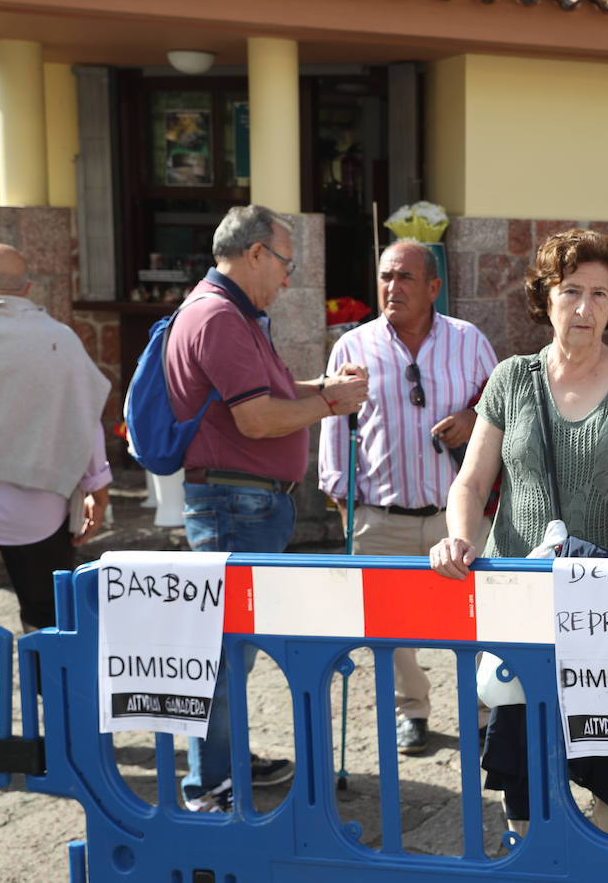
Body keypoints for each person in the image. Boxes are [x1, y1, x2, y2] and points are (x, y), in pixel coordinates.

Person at [429, 227, 608, 835]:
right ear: (546, 296)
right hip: (526, 608)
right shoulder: (511, 379)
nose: (585, 308)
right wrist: (459, 537)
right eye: (571, 291)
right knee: (524, 780)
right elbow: (473, 482)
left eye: (600, 295)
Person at [166, 204, 369, 812]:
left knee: (234, 650)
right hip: (237, 503)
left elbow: (265, 396)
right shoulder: (221, 318)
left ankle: (225, 764)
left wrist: (324, 388)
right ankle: (211, 787)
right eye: (285, 263)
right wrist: (331, 403)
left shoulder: (230, 313)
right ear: (254, 253)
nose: (288, 279)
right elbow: (257, 418)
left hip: (241, 502)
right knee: (225, 654)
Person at [319, 239, 497, 756]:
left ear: (434, 287)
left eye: (405, 277)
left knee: (480, 616)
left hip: (456, 516)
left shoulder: (468, 341)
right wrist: (342, 500)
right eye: (385, 277)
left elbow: (505, 406)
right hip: (381, 515)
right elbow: (333, 424)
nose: (392, 287)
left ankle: (487, 711)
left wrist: (473, 419)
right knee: (390, 629)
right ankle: (411, 709)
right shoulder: (352, 347)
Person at [0, 244, 111, 630]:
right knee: (48, 624)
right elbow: (83, 412)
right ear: (28, 288)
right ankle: (50, 690)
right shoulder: (60, 339)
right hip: (36, 506)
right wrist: (97, 486)